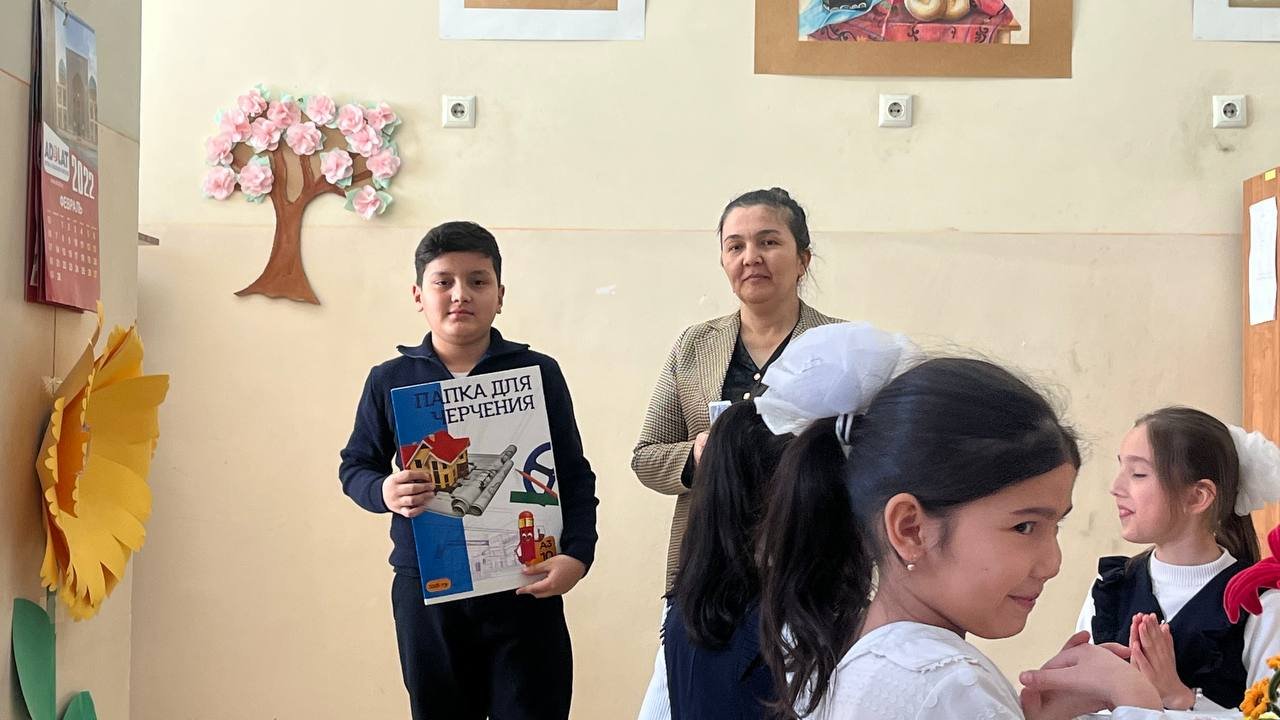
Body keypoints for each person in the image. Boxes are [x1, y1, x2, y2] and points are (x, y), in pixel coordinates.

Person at [756, 345, 1167, 720]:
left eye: (1055, 526)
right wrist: (1139, 703)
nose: (1052, 563)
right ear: (911, 529)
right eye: (1024, 526)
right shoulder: (947, 684)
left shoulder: (854, 650)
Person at [338, 221, 599, 720]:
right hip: (428, 588)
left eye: (478, 281)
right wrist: (384, 490)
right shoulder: (391, 380)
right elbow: (356, 466)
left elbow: (572, 473)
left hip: (524, 582)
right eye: (444, 282)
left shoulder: (538, 373)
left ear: (500, 295)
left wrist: (578, 555)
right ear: (419, 295)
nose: (461, 294)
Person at [633, 188, 840, 719]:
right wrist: (697, 456)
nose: (751, 257)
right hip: (709, 570)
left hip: (809, 567)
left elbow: (870, 453)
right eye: (736, 246)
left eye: (769, 242)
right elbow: (646, 456)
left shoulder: (840, 347)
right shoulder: (694, 346)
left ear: (803, 258)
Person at [1076, 407, 1280, 711]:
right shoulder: (1110, 589)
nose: (1116, 488)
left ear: (1197, 496)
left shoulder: (1262, 606)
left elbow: (1272, 714)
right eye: (1121, 469)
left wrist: (1178, 697)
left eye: (1138, 474)